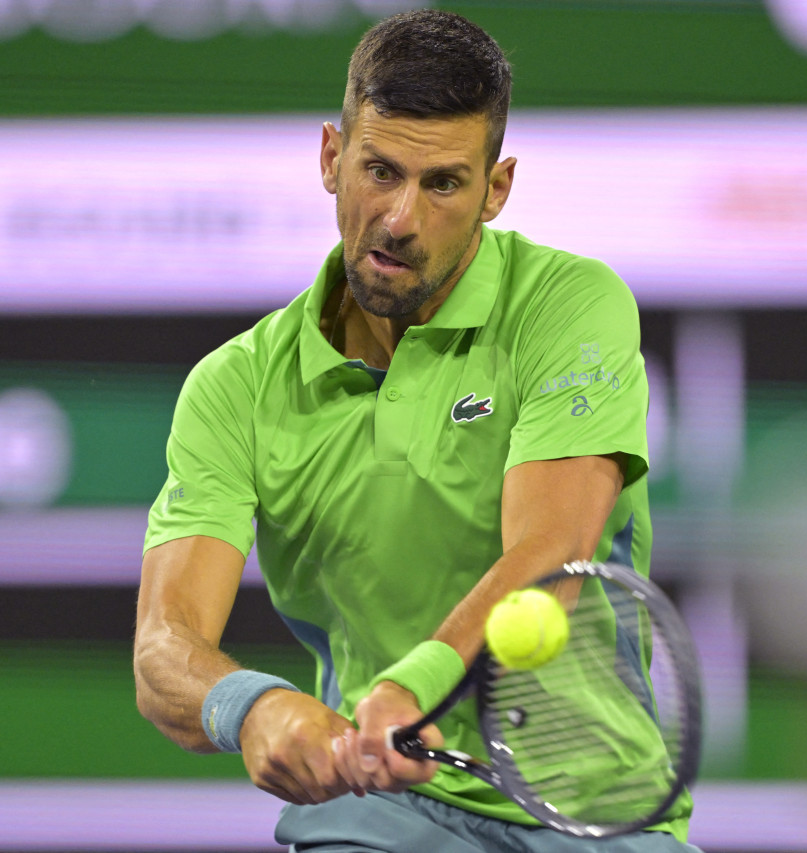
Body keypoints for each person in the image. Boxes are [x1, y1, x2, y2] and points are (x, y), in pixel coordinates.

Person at [134, 10, 698, 852]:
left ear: (495, 189)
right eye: (379, 170)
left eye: (442, 184)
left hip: (595, 816)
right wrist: (251, 705)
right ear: (332, 158)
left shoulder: (568, 305)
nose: (399, 218)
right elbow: (164, 649)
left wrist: (410, 689)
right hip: (382, 816)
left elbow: (551, 558)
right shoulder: (237, 386)